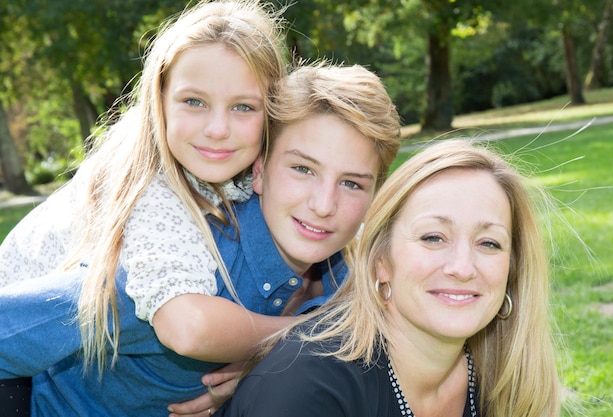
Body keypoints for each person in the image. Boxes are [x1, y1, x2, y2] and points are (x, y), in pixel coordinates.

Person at [0, 61, 402, 416]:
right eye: (302, 169)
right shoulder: (175, 268)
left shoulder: (354, 280)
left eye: (351, 183)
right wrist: (293, 342)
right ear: (258, 170)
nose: (324, 204)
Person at [0, 0, 287, 413]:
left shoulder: (248, 172)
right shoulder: (151, 189)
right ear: (160, 99)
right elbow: (186, 327)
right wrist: (296, 338)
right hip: (17, 361)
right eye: (194, 102)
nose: (218, 129)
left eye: (243, 106)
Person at [213, 139, 564, 417]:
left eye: (489, 243)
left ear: (511, 270)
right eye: (433, 237)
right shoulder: (305, 387)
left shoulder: (504, 380)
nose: (462, 267)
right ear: (381, 262)